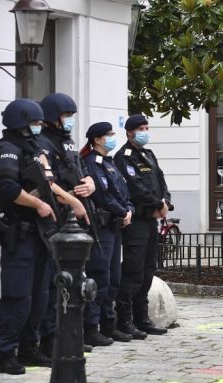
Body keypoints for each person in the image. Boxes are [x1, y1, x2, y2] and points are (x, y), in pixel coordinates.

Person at [0, 99, 88, 375]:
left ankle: (29, 347)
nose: (38, 127)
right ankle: (7, 353)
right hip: (19, 233)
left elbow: (46, 181)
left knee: (40, 295)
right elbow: (8, 187)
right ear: (21, 123)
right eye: (34, 123)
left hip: (40, 233)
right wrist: (38, 204)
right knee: (17, 295)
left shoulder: (34, 149)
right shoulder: (8, 150)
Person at [36, 93, 96, 355]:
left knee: (75, 279)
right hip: (58, 218)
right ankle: (51, 338)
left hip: (76, 217)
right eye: (66, 116)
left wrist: (90, 184)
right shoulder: (43, 143)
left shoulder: (68, 142)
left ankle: (71, 333)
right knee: (56, 281)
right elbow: (47, 180)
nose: (70, 121)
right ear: (53, 117)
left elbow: (81, 170)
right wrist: (72, 201)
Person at [113, 114, 171, 337]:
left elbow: (161, 181)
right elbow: (135, 187)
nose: (145, 132)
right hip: (136, 221)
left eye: (147, 128)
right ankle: (125, 321)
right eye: (141, 129)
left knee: (148, 270)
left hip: (151, 220)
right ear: (129, 132)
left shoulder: (148, 154)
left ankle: (142, 318)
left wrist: (165, 202)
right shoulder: (124, 157)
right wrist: (157, 204)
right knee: (133, 271)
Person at [79, 122, 135, 345]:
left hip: (115, 226)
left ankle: (108, 325)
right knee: (99, 277)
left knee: (113, 279)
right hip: (101, 228)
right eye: (109, 134)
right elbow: (102, 196)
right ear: (97, 139)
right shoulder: (92, 163)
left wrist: (129, 210)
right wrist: (123, 210)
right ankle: (91, 327)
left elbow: (123, 192)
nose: (112, 137)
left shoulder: (110, 164)